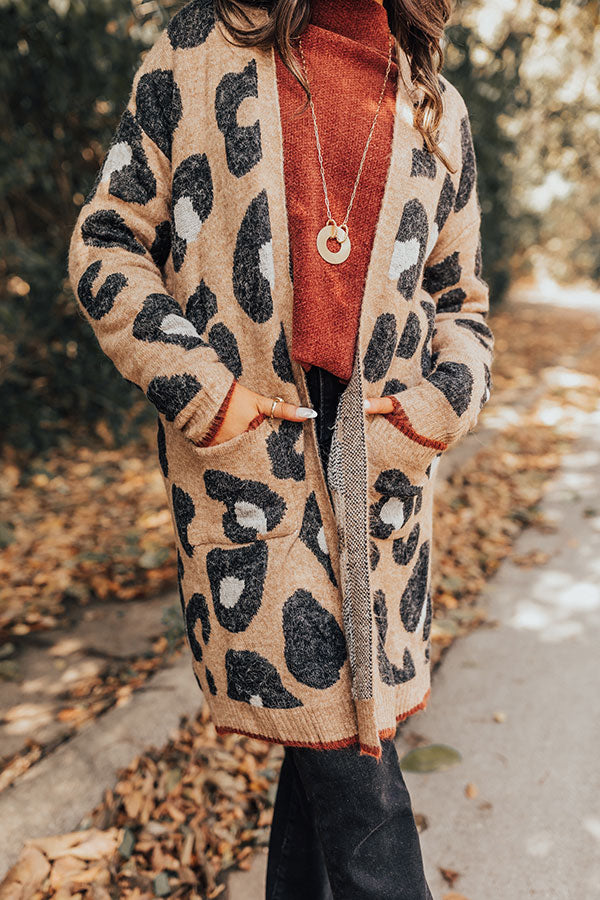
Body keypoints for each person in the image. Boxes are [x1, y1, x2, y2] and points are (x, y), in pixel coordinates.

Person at [68, 0, 494, 895]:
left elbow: (463, 304)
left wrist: (433, 411)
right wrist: (204, 393)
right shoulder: (197, 49)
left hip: (380, 467)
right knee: (357, 770)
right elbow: (105, 242)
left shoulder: (436, 104)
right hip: (254, 459)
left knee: (330, 756)